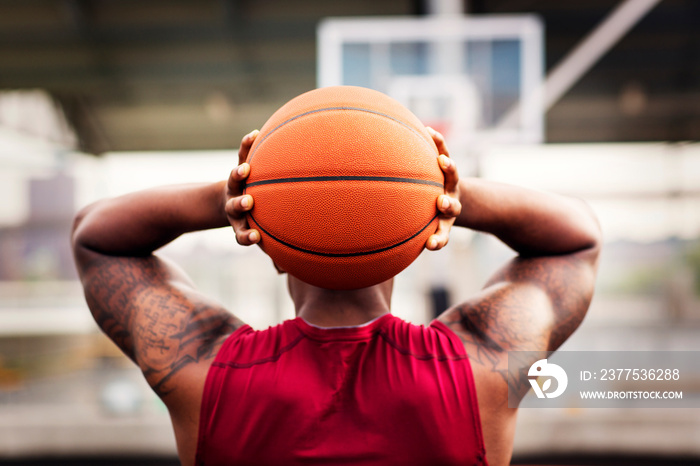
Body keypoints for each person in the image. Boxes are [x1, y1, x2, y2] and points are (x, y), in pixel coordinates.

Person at [72, 127, 601, 466]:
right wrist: (442, 194)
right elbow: (576, 241)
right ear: (416, 250)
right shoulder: (478, 366)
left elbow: (95, 238)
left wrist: (231, 195)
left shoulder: (207, 369)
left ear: (272, 252)